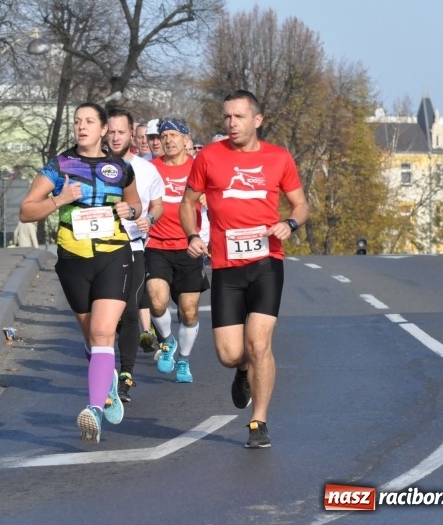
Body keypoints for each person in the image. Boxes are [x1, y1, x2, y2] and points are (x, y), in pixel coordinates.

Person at [181, 90, 309, 449]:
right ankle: (241, 372)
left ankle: (259, 421)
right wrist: (192, 234)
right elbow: (187, 203)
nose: (231, 124)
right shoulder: (208, 157)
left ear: (257, 120)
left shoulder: (278, 158)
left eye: (238, 117)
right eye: (227, 117)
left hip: (267, 261)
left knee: (259, 343)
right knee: (229, 354)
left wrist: (291, 224)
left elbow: (300, 205)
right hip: (226, 265)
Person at [19, 102, 141, 444]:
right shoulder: (59, 165)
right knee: (92, 338)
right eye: (77, 122)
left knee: (104, 332)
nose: (81, 127)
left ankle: (94, 410)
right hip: (73, 258)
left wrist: (128, 209)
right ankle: (108, 381)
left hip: (114, 254)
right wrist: (60, 200)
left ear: (104, 129)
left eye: (89, 121)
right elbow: (26, 211)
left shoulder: (120, 168)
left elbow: (136, 206)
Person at [105, 108, 164, 402]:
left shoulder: (146, 169)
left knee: (130, 312)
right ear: (105, 132)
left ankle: (125, 376)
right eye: (111, 132)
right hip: (97, 249)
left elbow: (158, 205)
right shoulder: (91, 165)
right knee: (99, 319)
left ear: (132, 135)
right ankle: (102, 368)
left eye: (121, 132)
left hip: (133, 245)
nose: (116, 137)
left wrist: (149, 220)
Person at [145, 118, 209, 384]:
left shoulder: (199, 169)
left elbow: (218, 206)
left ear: (186, 139)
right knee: (157, 301)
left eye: (174, 135)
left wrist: (209, 202)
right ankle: (168, 342)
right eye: (164, 135)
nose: (168, 140)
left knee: (189, 312)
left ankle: (183, 359)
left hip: (189, 247)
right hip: (156, 244)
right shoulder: (150, 169)